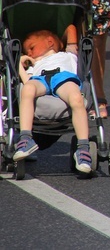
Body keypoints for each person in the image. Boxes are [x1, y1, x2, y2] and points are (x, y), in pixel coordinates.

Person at [12, 30, 92, 173]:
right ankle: (25, 138)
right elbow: (27, 82)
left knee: (76, 98)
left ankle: (83, 148)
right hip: (40, 78)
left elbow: (71, 28)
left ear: (49, 42)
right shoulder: (33, 65)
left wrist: (60, 41)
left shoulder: (68, 54)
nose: (29, 53)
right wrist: (19, 63)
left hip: (63, 77)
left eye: (31, 47)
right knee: (27, 89)